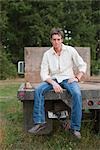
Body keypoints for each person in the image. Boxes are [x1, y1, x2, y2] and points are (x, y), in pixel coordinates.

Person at [28, 28, 87, 139]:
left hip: (68, 78)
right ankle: (40, 122)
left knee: (77, 94)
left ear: (62, 40)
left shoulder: (70, 50)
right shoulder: (47, 54)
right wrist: (53, 84)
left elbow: (82, 64)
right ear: (51, 40)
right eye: (54, 39)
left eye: (58, 39)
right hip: (53, 79)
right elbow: (44, 73)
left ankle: (75, 128)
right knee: (38, 90)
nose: (56, 42)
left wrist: (77, 77)